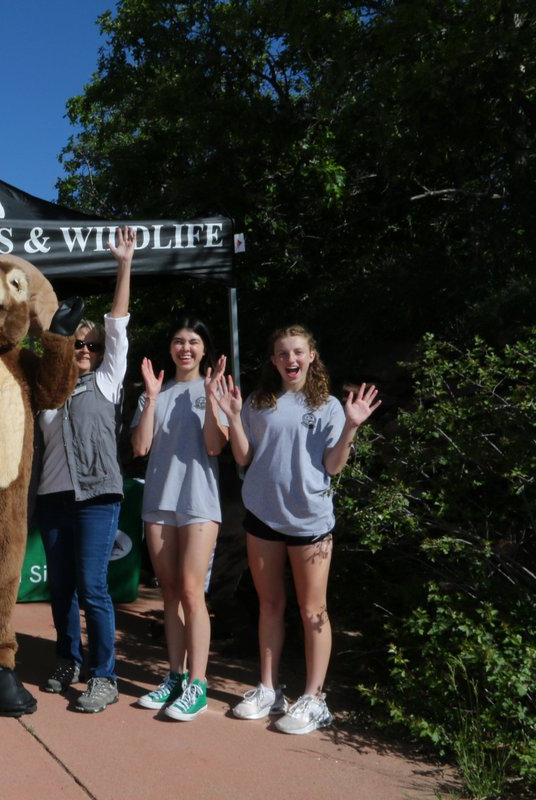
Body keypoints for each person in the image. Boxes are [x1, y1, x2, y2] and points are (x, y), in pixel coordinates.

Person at [211, 324, 380, 735]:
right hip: (263, 518)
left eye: (298, 352)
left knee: (312, 610)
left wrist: (353, 426)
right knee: (269, 606)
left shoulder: (328, 406)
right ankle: (268, 688)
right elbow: (244, 456)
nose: (291, 360)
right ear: (273, 360)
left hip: (310, 523)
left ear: (311, 356)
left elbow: (333, 466)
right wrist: (233, 417)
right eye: (283, 353)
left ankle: (315, 698)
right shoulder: (257, 402)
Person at [34, 226, 134, 713]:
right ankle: (67, 660)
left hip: (96, 497)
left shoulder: (108, 381)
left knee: (93, 586)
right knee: (61, 588)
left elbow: (118, 324)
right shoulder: (46, 393)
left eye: (91, 346)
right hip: (53, 500)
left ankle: (104, 676)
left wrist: (124, 265)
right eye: (77, 344)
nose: (85, 351)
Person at [129, 319, 229, 721]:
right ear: (170, 349)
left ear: (204, 350)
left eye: (193, 342)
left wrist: (209, 395)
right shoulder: (155, 391)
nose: (185, 348)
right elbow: (140, 447)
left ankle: (198, 685)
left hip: (200, 504)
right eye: (178, 342)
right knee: (170, 594)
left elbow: (214, 445)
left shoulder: (215, 391)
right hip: (158, 502)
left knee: (192, 592)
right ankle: (174, 676)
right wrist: (151, 399)